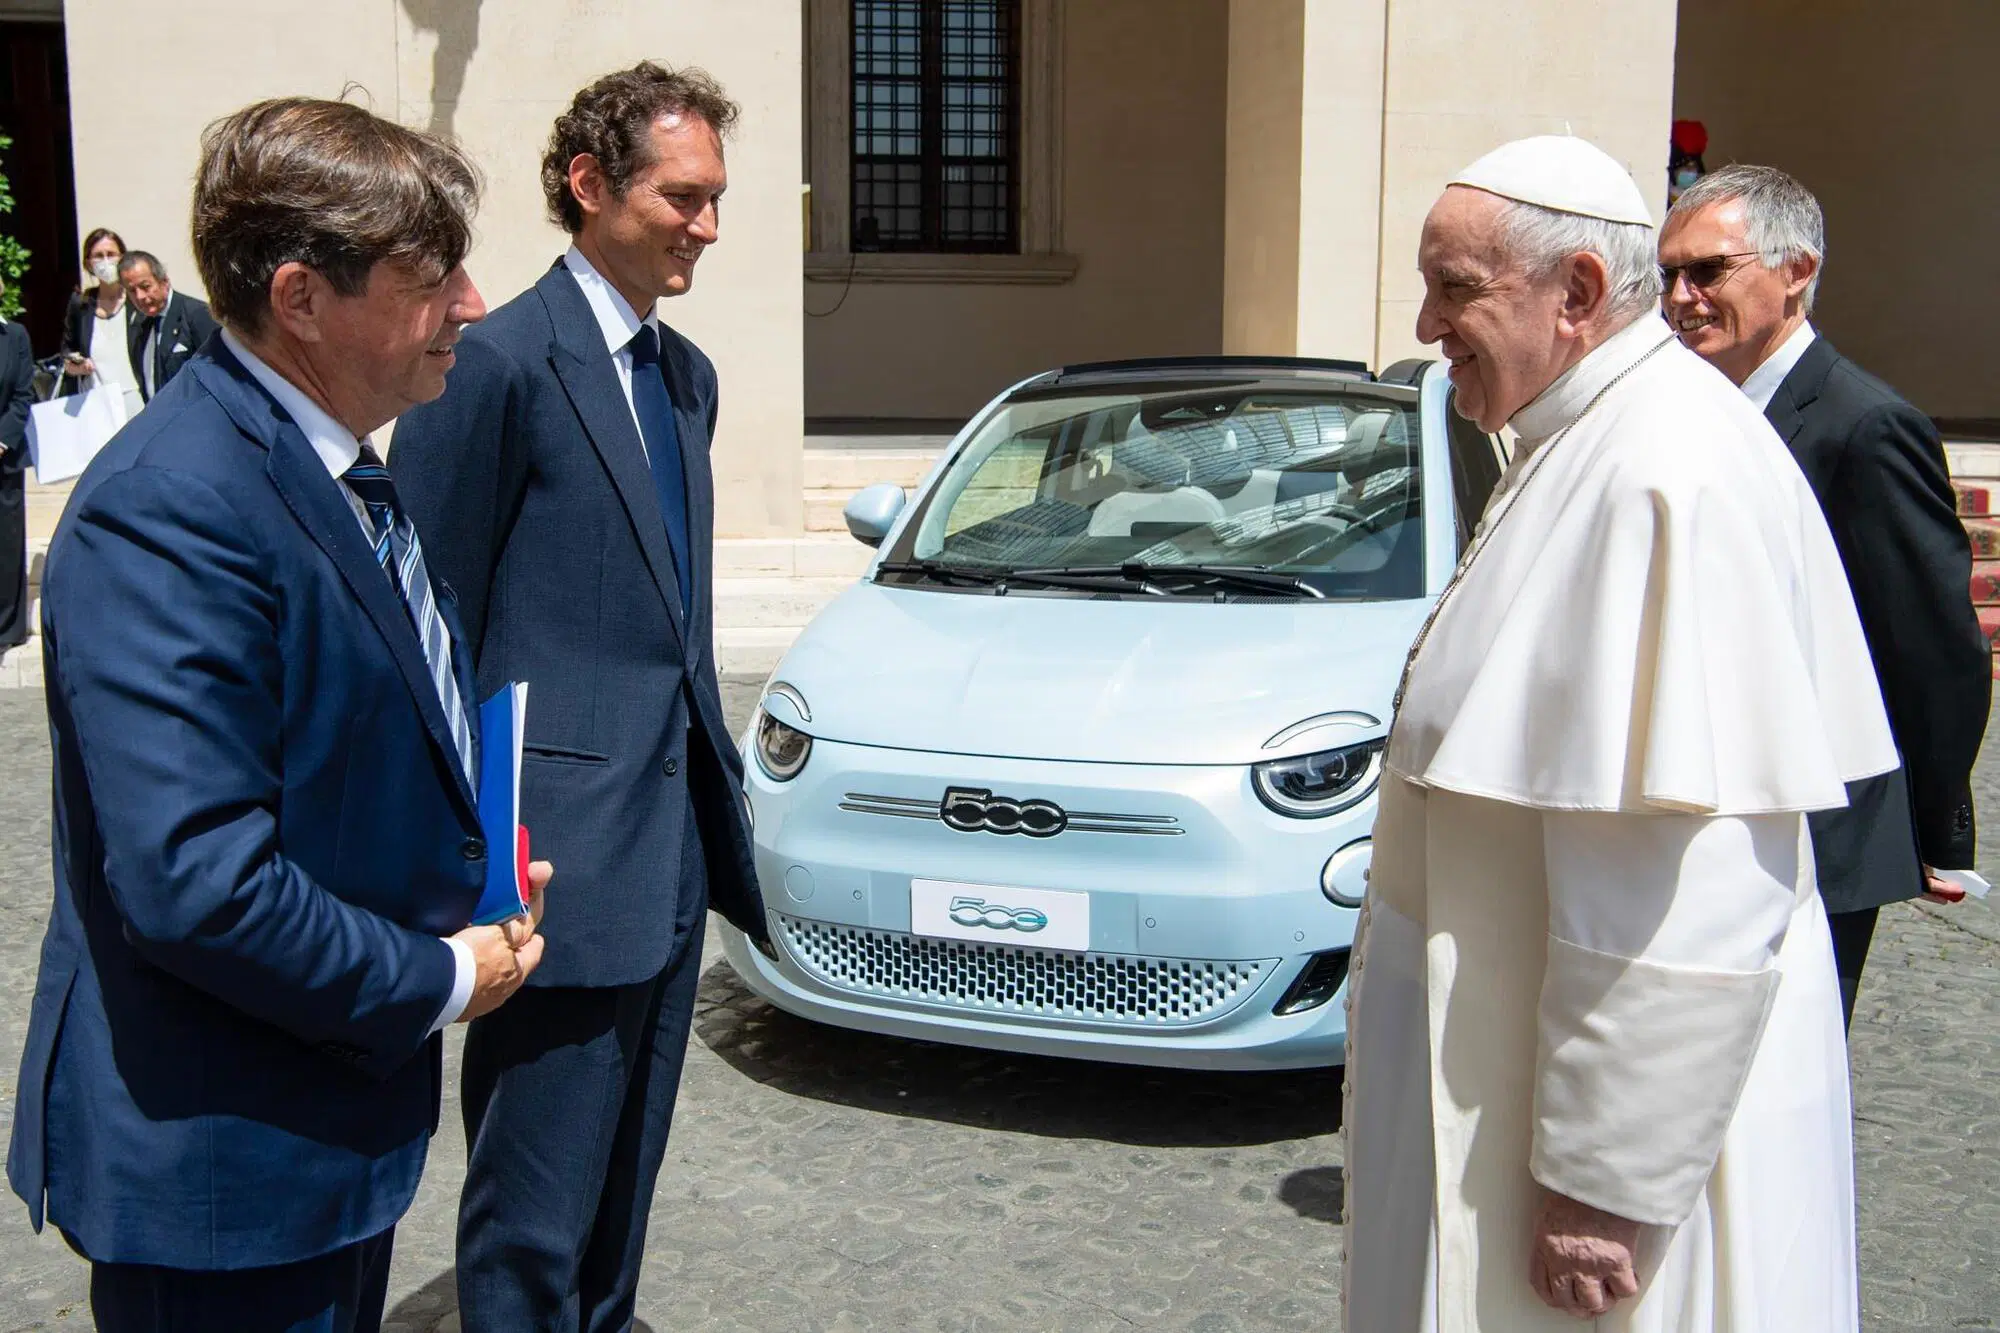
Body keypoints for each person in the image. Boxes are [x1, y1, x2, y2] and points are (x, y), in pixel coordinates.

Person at [6, 97, 551, 1333]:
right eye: (431, 277)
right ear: (301, 297)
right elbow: (198, 880)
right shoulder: (174, 508)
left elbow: (351, 734)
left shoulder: (340, 463)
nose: (471, 303)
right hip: (223, 1176)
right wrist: (436, 974)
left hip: (323, 1142)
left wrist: (477, 870)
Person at [1341, 136, 1898, 1330]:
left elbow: (1682, 879)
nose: (1430, 326)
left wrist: (1602, 1184)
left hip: (1611, 1171)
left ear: (1578, 292)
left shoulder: (1662, 471)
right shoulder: (1585, 438)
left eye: (1456, 289)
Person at [392, 61, 770, 1331]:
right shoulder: (492, 363)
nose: (707, 226)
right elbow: (429, 627)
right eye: (683, 196)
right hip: (547, 873)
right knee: (529, 1222)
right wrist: (473, 866)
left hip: (665, 860)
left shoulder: (687, 380)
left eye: (717, 198)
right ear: (590, 184)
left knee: (621, 1206)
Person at [1660, 164, 1990, 1027]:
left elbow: (1933, 648)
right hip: (1718, 813)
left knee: (1784, 1092)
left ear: (1796, 271)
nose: (1681, 298)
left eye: (1707, 271)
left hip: (1825, 828)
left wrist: (1931, 828)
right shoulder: (1701, 408)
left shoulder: (1866, 425)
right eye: (1669, 274)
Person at [59, 227, 143, 416]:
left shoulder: (137, 299)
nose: (105, 261)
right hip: (98, 405)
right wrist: (76, 365)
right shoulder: (80, 305)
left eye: (111, 254)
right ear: (88, 263)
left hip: (138, 401)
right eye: (98, 256)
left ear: (123, 258)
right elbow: (67, 351)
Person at [119, 249, 220, 402]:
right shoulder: (139, 325)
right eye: (132, 290)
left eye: (145, 286)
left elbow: (217, 374)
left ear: (164, 281)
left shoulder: (197, 314)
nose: (140, 296)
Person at [0, 277, 34, 650]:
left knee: (6, 545)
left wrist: (1, 440)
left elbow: (23, 394)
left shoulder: (16, 336)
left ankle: (7, 627)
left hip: (4, 458)